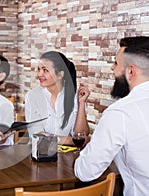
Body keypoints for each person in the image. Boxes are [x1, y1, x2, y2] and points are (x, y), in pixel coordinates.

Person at [74, 36, 149, 196]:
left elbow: (86, 171)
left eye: (116, 63)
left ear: (131, 71)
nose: (112, 68)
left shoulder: (120, 112)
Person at [25, 51, 90, 144]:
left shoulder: (75, 96)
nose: (39, 74)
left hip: (68, 156)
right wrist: (69, 140)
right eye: (38, 69)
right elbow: (37, 135)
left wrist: (82, 104)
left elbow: (81, 135)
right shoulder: (32, 96)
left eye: (45, 70)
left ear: (60, 74)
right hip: (40, 154)